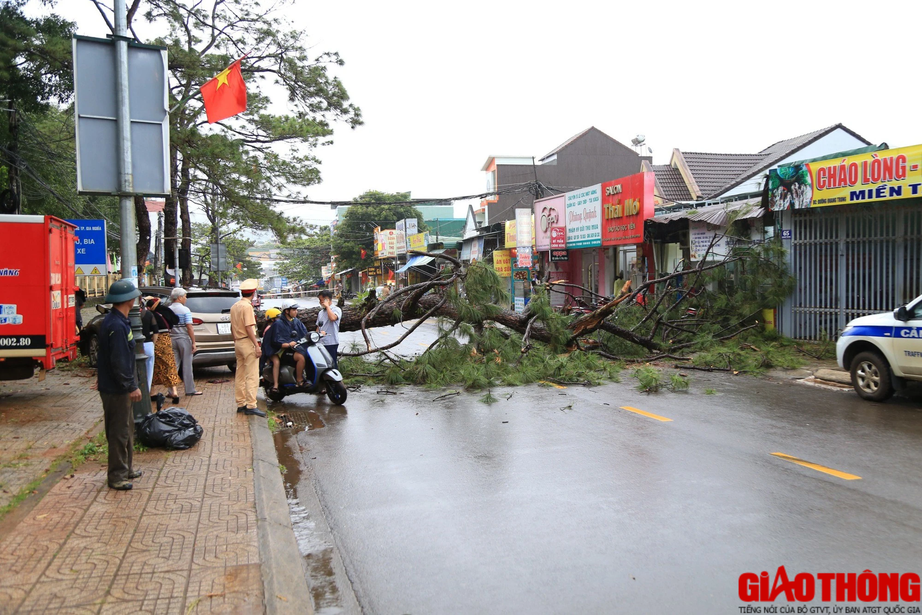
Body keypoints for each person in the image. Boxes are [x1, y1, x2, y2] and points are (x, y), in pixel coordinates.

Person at [96, 280, 143, 491]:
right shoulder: (115, 325)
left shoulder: (118, 321)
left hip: (117, 386)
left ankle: (127, 468)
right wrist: (131, 385)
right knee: (118, 432)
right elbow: (119, 360)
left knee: (127, 428)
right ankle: (117, 475)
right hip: (116, 390)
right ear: (129, 300)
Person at [231, 279, 265, 417]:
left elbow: (232, 327)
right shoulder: (247, 307)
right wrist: (256, 345)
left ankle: (241, 403)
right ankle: (251, 404)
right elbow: (249, 327)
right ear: (253, 293)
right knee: (252, 375)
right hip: (247, 342)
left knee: (240, 374)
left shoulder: (235, 306)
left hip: (238, 342)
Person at [147, 297, 181, 404]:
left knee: (152, 366)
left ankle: (152, 392)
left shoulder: (149, 314)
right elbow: (176, 320)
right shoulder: (166, 311)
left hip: (154, 340)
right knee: (169, 365)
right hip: (166, 339)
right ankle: (174, 392)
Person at [168, 287, 202, 396]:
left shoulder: (168, 309)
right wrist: (193, 342)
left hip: (172, 337)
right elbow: (189, 327)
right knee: (187, 365)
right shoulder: (185, 310)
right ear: (179, 297)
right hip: (183, 338)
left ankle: (171, 390)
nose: (185, 299)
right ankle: (190, 389)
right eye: (184, 296)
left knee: (174, 365)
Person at [267, 302, 307, 391]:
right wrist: (288, 344)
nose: (296, 312)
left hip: (296, 348)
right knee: (301, 357)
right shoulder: (278, 324)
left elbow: (304, 333)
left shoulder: (296, 321)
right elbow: (276, 340)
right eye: (293, 310)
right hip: (283, 351)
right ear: (287, 311)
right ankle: (299, 379)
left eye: (296, 310)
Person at [316, 289, 342, 369]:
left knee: (332, 363)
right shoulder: (321, 312)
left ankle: (336, 380)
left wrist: (327, 306)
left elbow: (333, 318)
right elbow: (318, 327)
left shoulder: (336, 309)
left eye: (321, 300)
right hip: (321, 342)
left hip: (331, 342)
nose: (320, 302)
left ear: (327, 299)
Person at [140, 300, 158, 395]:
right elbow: (156, 331)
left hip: (133, 345)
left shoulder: (128, 314)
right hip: (148, 344)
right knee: (149, 370)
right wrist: (153, 344)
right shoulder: (149, 314)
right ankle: (146, 391)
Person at [259, 308, 281, 373]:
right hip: (269, 351)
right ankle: (276, 382)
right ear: (272, 319)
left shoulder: (276, 327)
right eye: (278, 318)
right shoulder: (269, 328)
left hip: (276, 349)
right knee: (276, 362)